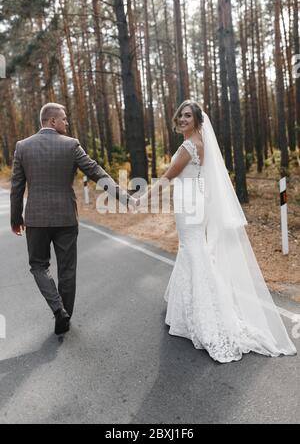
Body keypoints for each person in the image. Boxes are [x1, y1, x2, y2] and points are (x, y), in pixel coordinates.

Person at [135, 100, 296, 363]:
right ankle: (188, 310)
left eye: (189, 116)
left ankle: (207, 314)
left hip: (189, 206)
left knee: (193, 252)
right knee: (191, 250)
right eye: (181, 115)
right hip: (193, 202)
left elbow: (168, 176)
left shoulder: (190, 145)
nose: (183, 119)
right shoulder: (201, 143)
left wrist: (143, 198)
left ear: (198, 120)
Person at [10, 103, 136, 335]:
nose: (67, 123)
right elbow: (96, 172)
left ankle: (59, 311)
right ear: (52, 121)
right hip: (66, 218)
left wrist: (15, 218)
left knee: (38, 266)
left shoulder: (23, 147)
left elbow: (16, 188)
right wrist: (124, 197)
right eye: (64, 119)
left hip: (36, 219)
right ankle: (65, 316)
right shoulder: (71, 145)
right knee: (67, 269)